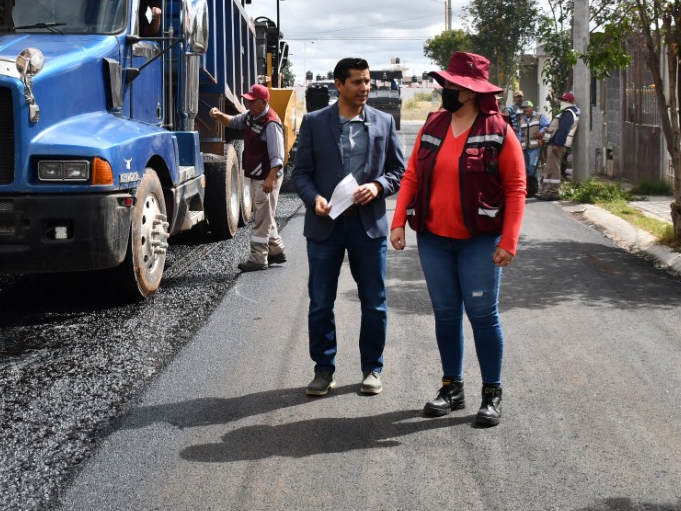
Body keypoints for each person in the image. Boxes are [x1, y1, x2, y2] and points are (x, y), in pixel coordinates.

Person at [390, 51, 526, 427]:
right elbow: (412, 176)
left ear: (469, 90)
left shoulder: (498, 130)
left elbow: (516, 188)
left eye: (451, 84)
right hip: (434, 238)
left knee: (482, 315)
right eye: (445, 82)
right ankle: (452, 387)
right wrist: (399, 221)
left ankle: (491, 393)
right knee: (446, 314)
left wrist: (509, 241)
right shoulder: (433, 124)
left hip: (479, 241)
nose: (444, 88)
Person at [292, 57, 406, 398]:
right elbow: (300, 173)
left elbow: (398, 171)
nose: (365, 88)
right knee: (320, 302)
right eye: (357, 82)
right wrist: (314, 200)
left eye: (367, 81)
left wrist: (378, 187)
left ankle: (372, 368)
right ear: (338, 85)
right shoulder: (314, 123)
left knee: (374, 301)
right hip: (326, 225)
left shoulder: (384, 122)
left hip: (367, 226)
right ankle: (323, 370)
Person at [210, 84, 286, 272]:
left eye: (252, 101)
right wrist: (219, 115)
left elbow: (277, 157)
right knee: (265, 215)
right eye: (248, 100)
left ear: (263, 102)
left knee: (261, 219)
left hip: (268, 177)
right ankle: (276, 250)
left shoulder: (271, 123)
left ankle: (258, 259)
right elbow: (233, 121)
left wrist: (270, 179)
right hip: (259, 174)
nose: (248, 103)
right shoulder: (252, 116)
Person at [538, 91, 580, 200]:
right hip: (553, 144)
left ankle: (553, 193)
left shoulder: (569, 113)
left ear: (570, 101)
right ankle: (547, 191)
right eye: (562, 99)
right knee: (550, 168)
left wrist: (557, 144)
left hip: (557, 145)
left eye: (564, 100)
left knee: (554, 168)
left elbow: (563, 130)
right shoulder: (566, 112)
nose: (562, 101)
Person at [515, 100, 551, 196]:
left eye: (527, 108)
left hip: (535, 147)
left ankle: (534, 187)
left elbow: (548, 125)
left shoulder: (539, 117)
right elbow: (520, 133)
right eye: (523, 108)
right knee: (525, 168)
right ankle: (529, 188)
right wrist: (518, 144)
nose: (525, 110)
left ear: (532, 108)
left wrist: (541, 131)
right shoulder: (522, 120)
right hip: (524, 148)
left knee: (532, 166)